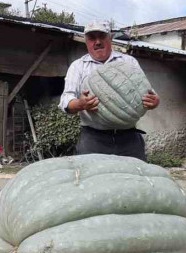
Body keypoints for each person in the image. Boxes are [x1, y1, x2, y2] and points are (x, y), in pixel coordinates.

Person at [58, 21, 160, 161]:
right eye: (92, 38)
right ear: (86, 41)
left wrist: (155, 101)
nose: (97, 42)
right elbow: (65, 101)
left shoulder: (128, 62)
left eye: (102, 36)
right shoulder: (78, 67)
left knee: (133, 180)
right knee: (93, 181)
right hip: (93, 139)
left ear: (110, 38)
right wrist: (80, 104)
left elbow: (150, 93)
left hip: (129, 138)